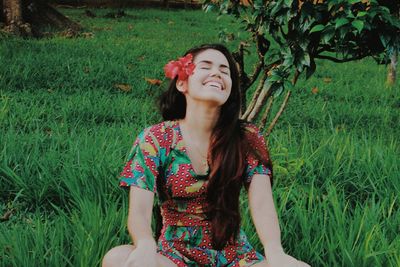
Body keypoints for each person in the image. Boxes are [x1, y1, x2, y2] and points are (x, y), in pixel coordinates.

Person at [102, 43, 311, 267]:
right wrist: (145, 245)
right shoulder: (156, 138)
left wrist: (276, 252)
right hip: (174, 256)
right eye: (206, 66)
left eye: (224, 70)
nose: (216, 73)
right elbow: (140, 212)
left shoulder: (247, 137)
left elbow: (261, 204)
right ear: (182, 82)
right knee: (117, 259)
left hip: (235, 258)